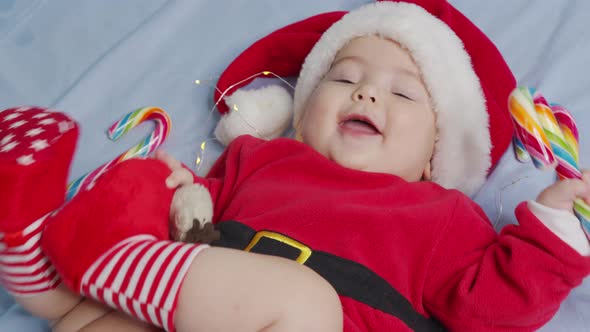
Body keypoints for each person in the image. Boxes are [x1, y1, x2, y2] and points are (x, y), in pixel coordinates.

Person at [1, 1, 590, 331]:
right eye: (343, 78)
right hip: (186, 303)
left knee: (307, 306)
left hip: (311, 322)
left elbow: (494, 310)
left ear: (437, 157)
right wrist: (176, 192)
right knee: (100, 305)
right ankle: (38, 264)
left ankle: (88, 262)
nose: (365, 95)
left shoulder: (442, 216)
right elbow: (192, 218)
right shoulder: (261, 158)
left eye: (403, 95)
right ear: (302, 111)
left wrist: (552, 233)